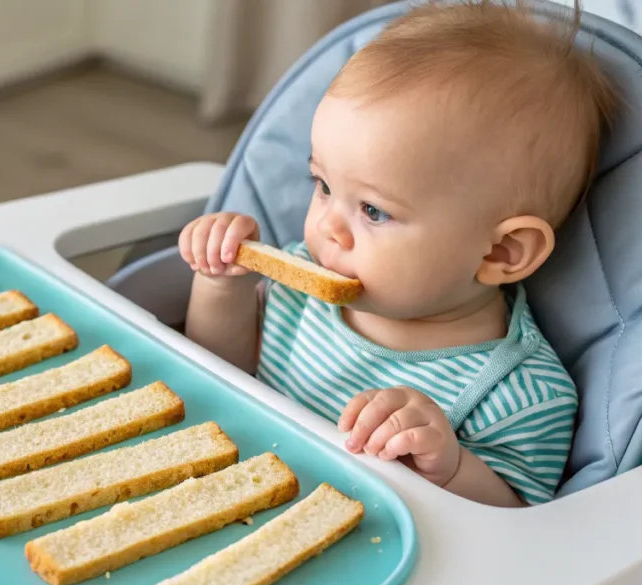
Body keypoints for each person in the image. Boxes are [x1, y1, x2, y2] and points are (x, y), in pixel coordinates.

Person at [179, 0, 619, 507]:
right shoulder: (302, 283)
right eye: (321, 184)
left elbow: (522, 527)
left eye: (373, 211)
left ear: (502, 250)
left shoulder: (520, 394)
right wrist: (220, 288)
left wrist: (450, 468)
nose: (328, 228)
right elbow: (219, 377)